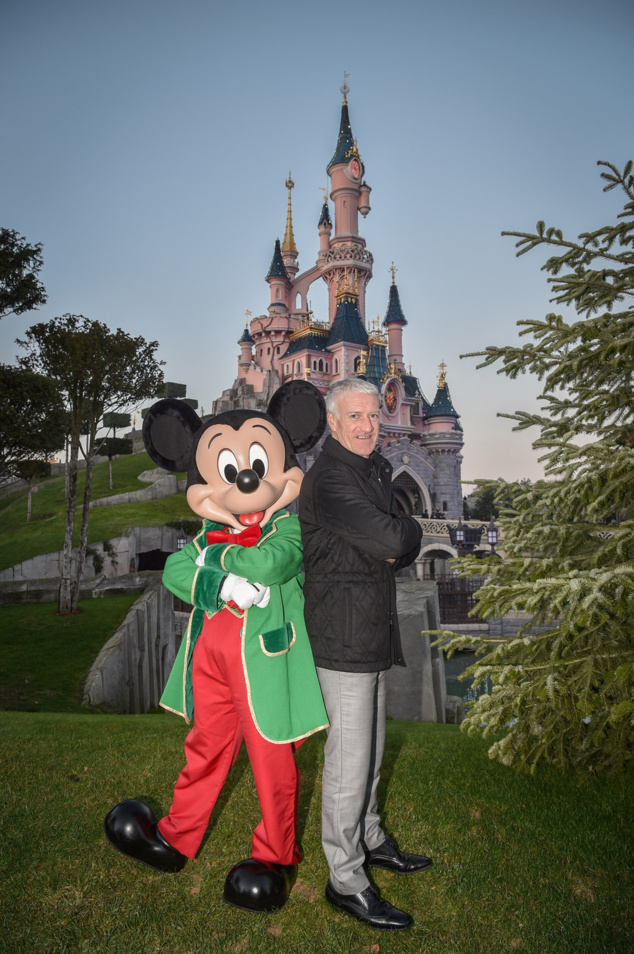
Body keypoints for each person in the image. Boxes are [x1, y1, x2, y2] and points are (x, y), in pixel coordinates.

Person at [299, 378, 430, 931]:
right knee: (348, 763)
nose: (368, 425)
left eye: (374, 415)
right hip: (343, 636)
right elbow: (394, 541)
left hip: (371, 627)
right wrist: (409, 529)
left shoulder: (370, 468)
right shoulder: (332, 478)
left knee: (370, 752)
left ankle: (370, 837)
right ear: (332, 422)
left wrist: (396, 539)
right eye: (355, 416)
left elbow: (390, 547)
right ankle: (345, 878)